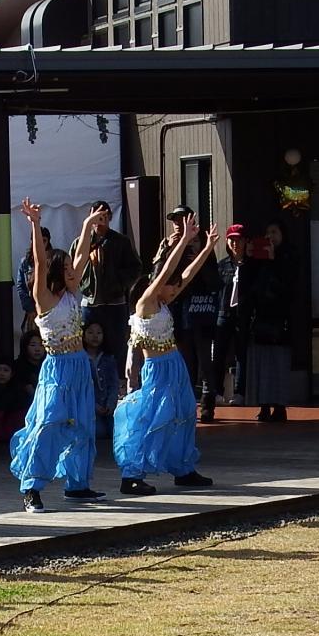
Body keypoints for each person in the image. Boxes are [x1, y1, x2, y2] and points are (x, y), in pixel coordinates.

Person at [10, 200, 108, 510]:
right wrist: (35, 225)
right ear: (55, 272)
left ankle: (77, 485)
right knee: (49, 425)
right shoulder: (45, 297)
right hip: (57, 368)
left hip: (80, 366)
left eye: (72, 270)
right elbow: (39, 261)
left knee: (83, 426)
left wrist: (87, 225)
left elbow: (80, 256)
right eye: (66, 270)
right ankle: (32, 488)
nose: (73, 272)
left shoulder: (71, 293)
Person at [114, 216, 219, 496]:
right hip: (157, 368)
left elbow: (184, 277)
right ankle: (132, 474)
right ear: (158, 284)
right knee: (151, 419)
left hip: (175, 365)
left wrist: (206, 249)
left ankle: (183, 469)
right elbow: (168, 271)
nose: (175, 290)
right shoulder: (146, 302)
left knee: (185, 414)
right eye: (169, 286)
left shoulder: (163, 300)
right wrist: (183, 240)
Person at [150, 206, 220, 410]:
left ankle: (208, 400)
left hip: (200, 307)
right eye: (174, 221)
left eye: (182, 220)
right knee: (184, 356)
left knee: (204, 356)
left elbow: (214, 281)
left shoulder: (200, 244)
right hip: (176, 309)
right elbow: (155, 278)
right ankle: (187, 401)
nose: (178, 226)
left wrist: (200, 254)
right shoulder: (167, 244)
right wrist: (165, 252)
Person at [78, 200, 141, 381]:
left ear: (110, 218)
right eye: (96, 217)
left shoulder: (120, 242)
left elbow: (135, 268)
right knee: (87, 341)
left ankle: (117, 381)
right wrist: (85, 283)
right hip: (90, 302)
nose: (100, 221)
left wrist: (118, 283)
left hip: (114, 302)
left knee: (115, 343)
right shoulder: (81, 241)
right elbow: (73, 268)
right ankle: (88, 378)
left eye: (103, 217)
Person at [243, 234, 294, 422]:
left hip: (280, 322)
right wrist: (248, 256)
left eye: (275, 233)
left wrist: (274, 261)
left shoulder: (288, 259)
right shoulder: (255, 265)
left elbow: (286, 289)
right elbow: (247, 289)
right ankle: (263, 405)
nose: (270, 239)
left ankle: (280, 407)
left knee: (278, 365)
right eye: (266, 235)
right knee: (261, 366)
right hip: (260, 321)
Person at [206, 223, 253, 418]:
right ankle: (216, 391)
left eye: (239, 239)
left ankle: (240, 392)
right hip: (223, 313)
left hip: (243, 315)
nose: (235, 243)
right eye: (232, 239)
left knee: (242, 353)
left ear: (245, 242)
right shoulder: (222, 265)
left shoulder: (252, 266)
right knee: (219, 353)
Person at [83, 320, 118, 440]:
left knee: (115, 430)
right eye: (90, 332)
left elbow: (114, 384)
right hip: (89, 407)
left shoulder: (108, 358)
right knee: (99, 432)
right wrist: (94, 406)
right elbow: (81, 388)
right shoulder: (80, 359)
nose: (95, 336)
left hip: (107, 406)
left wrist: (110, 404)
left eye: (99, 333)